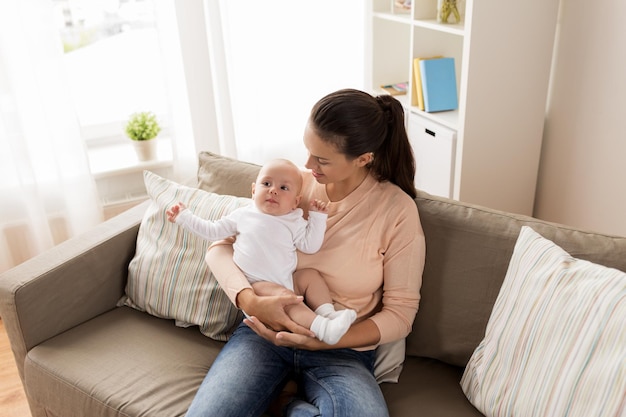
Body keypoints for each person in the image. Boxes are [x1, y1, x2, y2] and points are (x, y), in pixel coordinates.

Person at [186, 89, 426, 417]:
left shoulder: (397, 211)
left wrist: (323, 341)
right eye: (308, 150)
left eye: (322, 160)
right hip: (265, 331)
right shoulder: (289, 185)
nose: (308, 165)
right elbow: (219, 248)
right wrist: (249, 301)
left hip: (342, 350)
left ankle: (290, 407)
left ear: (363, 158)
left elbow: (400, 315)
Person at [167, 158, 357, 345]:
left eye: (284, 188)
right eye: (266, 183)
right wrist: (185, 217)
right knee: (287, 298)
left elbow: (310, 246)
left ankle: (328, 314)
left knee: (310, 276)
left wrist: (317, 218)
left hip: (287, 280)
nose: (273, 190)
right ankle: (322, 328)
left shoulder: (294, 220)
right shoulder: (243, 215)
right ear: (253, 190)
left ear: (295, 202)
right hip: (256, 287)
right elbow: (212, 231)